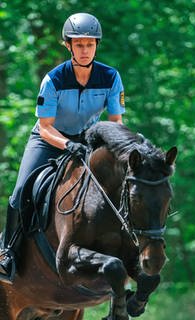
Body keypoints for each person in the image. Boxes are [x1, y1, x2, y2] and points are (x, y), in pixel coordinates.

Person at [0, 12, 126, 284]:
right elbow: (45, 127)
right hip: (48, 141)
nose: (84, 50)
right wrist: (68, 144)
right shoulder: (53, 79)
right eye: (79, 44)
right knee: (21, 190)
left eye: (90, 44)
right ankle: (7, 252)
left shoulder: (111, 77)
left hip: (87, 142)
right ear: (68, 45)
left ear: (96, 46)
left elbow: (116, 122)